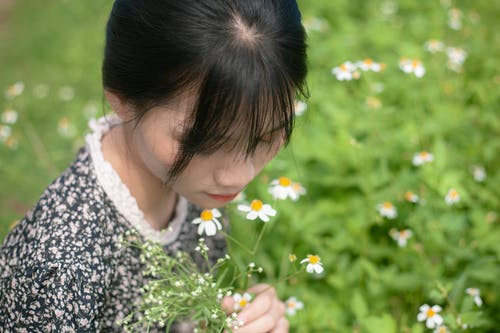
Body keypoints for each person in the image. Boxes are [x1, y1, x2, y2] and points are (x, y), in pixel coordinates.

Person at [0, 0, 307, 331]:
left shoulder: (192, 187)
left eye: (265, 138)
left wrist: (238, 317)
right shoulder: (61, 263)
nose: (239, 176)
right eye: (202, 143)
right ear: (122, 100)